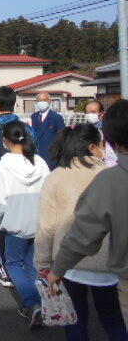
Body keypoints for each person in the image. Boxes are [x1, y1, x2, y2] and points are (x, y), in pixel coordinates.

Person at [35, 123, 127, 340]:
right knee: (114, 320)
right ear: (94, 146)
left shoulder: (56, 177)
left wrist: (44, 264)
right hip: (109, 264)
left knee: (75, 320)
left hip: (68, 263)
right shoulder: (110, 174)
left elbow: (46, 227)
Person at [0, 120, 50, 330]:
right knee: (32, 265)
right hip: (39, 222)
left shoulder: (6, 162)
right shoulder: (39, 161)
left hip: (15, 223)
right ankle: (38, 303)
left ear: (6, 140)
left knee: (13, 264)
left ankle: (31, 304)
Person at [0, 86, 36, 286]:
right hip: (26, 184)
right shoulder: (27, 128)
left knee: (2, 227)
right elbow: (34, 152)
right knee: (24, 225)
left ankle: (6, 269)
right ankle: (25, 266)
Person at [30, 91, 65, 170]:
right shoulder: (33, 116)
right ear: (36, 102)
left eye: (44, 100)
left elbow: (62, 138)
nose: (42, 102)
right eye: (40, 100)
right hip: (36, 156)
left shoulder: (57, 117)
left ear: (49, 101)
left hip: (51, 157)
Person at [85, 99, 118, 167]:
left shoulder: (109, 130)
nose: (89, 115)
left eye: (93, 112)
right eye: (87, 112)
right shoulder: (85, 130)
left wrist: (102, 156)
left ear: (101, 113)